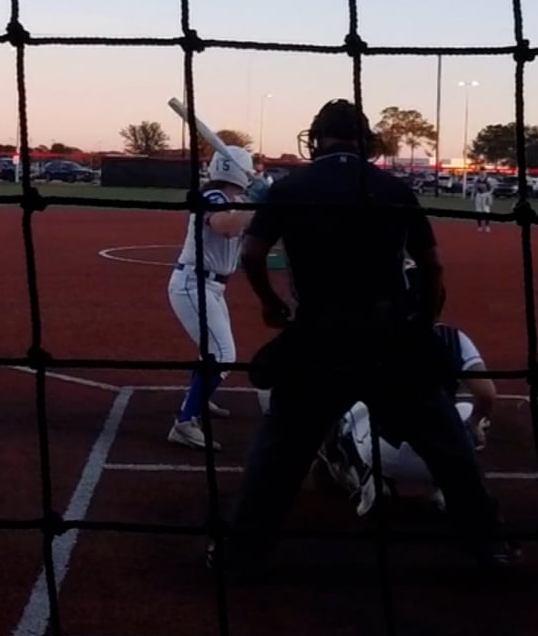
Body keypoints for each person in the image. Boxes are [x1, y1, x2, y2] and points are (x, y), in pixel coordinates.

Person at [218, 98, 514, 576]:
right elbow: (433, 265)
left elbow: (252, 253)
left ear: (316, 139)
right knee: (449, 447)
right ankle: (490, 545)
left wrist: (271, 304)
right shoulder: (393, 187)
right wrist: (420, 324)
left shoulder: (291, 188)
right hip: (389, 338)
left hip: (318, 337)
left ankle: (241, 553)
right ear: (366, 141)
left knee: (279, 452)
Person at [316, 309, 497, 517]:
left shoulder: (368, 334)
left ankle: (367, 480)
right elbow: (487, 394)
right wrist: (473, 427)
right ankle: (449, 489)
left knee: (347, 409)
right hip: (443, 450)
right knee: (467, 413)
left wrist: (328, 448)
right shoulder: (453, 337)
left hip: (382, 453)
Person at [165, 145, 256, 451]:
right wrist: (256, 203)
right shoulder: (213, 197)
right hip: (193, 285)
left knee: (214, 353)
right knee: (222, 354)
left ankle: (197, 401)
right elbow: (226, 226)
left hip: (213, 287)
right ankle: (184, 423)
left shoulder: (236, 200)